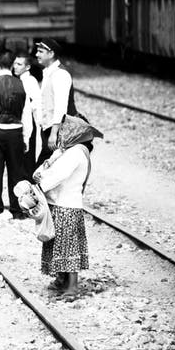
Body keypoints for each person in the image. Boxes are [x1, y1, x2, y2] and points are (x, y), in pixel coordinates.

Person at [34, 115, 103, 296]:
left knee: (67, 246)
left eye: (65, 129)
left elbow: (56, 174)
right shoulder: (66, 151)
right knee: (58, 244)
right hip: (59, 203)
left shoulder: (76, 153)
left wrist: (40, 183)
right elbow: (42, 170)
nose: (61, 133)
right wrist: (43, 172)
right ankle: (61, 279)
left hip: (66, 205)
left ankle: (72, 286)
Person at [0, 52, 30, 221]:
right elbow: (26, 114)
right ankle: (17, 209)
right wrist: (26, 137)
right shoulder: (21, 84)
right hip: (16, 131)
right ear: (12, 65)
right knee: (15, 171)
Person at [35, 38, 78, 169]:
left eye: (40, 51)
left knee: (43, 170)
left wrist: (54, 133)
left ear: (51, 54)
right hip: (49, 129)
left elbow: (61, 107)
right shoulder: (48, 72)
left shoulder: (61, 74)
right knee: (50, 169)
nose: (37, 54)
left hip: (59, 131)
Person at [14, 53, 43, 166]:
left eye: (19, 64)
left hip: (28, 121)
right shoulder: (17, 80)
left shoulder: (31, 81)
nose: (15, 66)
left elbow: (37, 102)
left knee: (28, 156)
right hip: (19, 120)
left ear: (27, 67)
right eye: (15, 63)